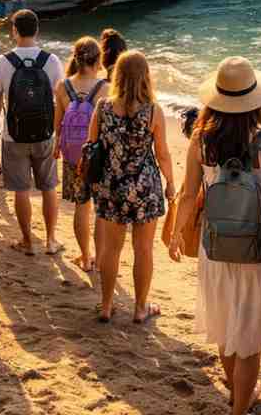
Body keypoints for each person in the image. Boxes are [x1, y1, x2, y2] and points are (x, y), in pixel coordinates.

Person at [170, 57, 261, 415]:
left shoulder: (201, 139)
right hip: (259, 248)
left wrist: (177, 233)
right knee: (249, 338)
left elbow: (188, 194)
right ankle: (240, 405)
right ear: (256, 100)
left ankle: (239, 394)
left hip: (216, 245)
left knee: (225, 326)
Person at [87, 50, 173, 323]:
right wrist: (171, 183)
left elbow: (91, 144)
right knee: (143, 249)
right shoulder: (153, 111)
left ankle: (106, 305)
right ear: (146, 76)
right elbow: (162, 154)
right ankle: (139, 308)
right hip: (144, 186)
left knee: (111, 249)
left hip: (111, 184)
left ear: (118, 75)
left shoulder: (103, 107)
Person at [0, 8, 66, 256]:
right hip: (45, 134)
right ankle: (51, 240)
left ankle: (27, 241)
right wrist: (59, 132)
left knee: (21, 190)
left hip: (14, 134)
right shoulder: (51, 61)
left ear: (14, 31)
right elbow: (61, 99)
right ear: (37, 30)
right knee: (49, 187)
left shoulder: (3, 62)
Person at [54, 36, 108, 272]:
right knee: (100, 210)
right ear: (98, 60)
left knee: (81, 206)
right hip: (99, 157)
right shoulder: (105, 88)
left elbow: (58, 123)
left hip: (73, 156)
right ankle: (101, 259)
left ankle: (85, 258)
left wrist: (57, 146)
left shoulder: (63, 86)